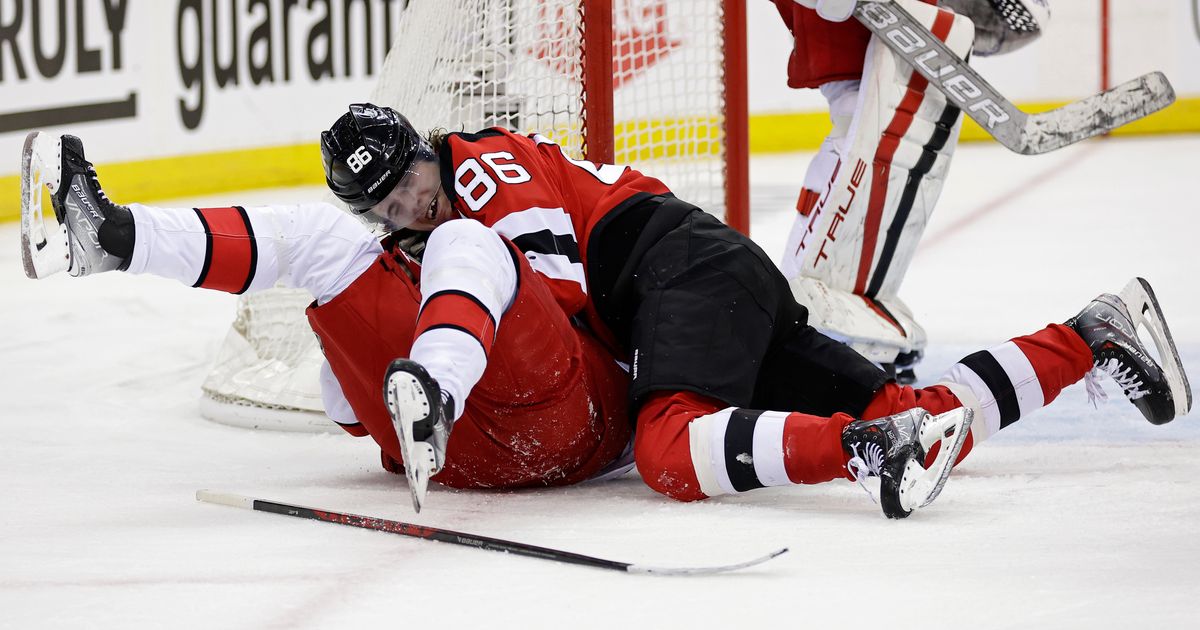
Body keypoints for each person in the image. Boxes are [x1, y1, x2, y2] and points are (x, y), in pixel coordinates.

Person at [21, 98, 1190, 520]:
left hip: (667, 274)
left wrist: (434, 369)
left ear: (432, 152)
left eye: (412, 183)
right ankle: (1089, 337)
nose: (413, 208)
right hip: (689, 292)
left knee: (671, 443)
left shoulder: (478, 175)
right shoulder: (413, 221)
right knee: (905, 397)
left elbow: (540, 284)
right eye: (392, 205)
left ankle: (870, 450)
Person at [773, 0, 1052, 382]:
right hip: (869, 69)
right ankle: (861, 336)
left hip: (874, 69)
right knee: (864, 151)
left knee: (801, 295)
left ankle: (855, 340)